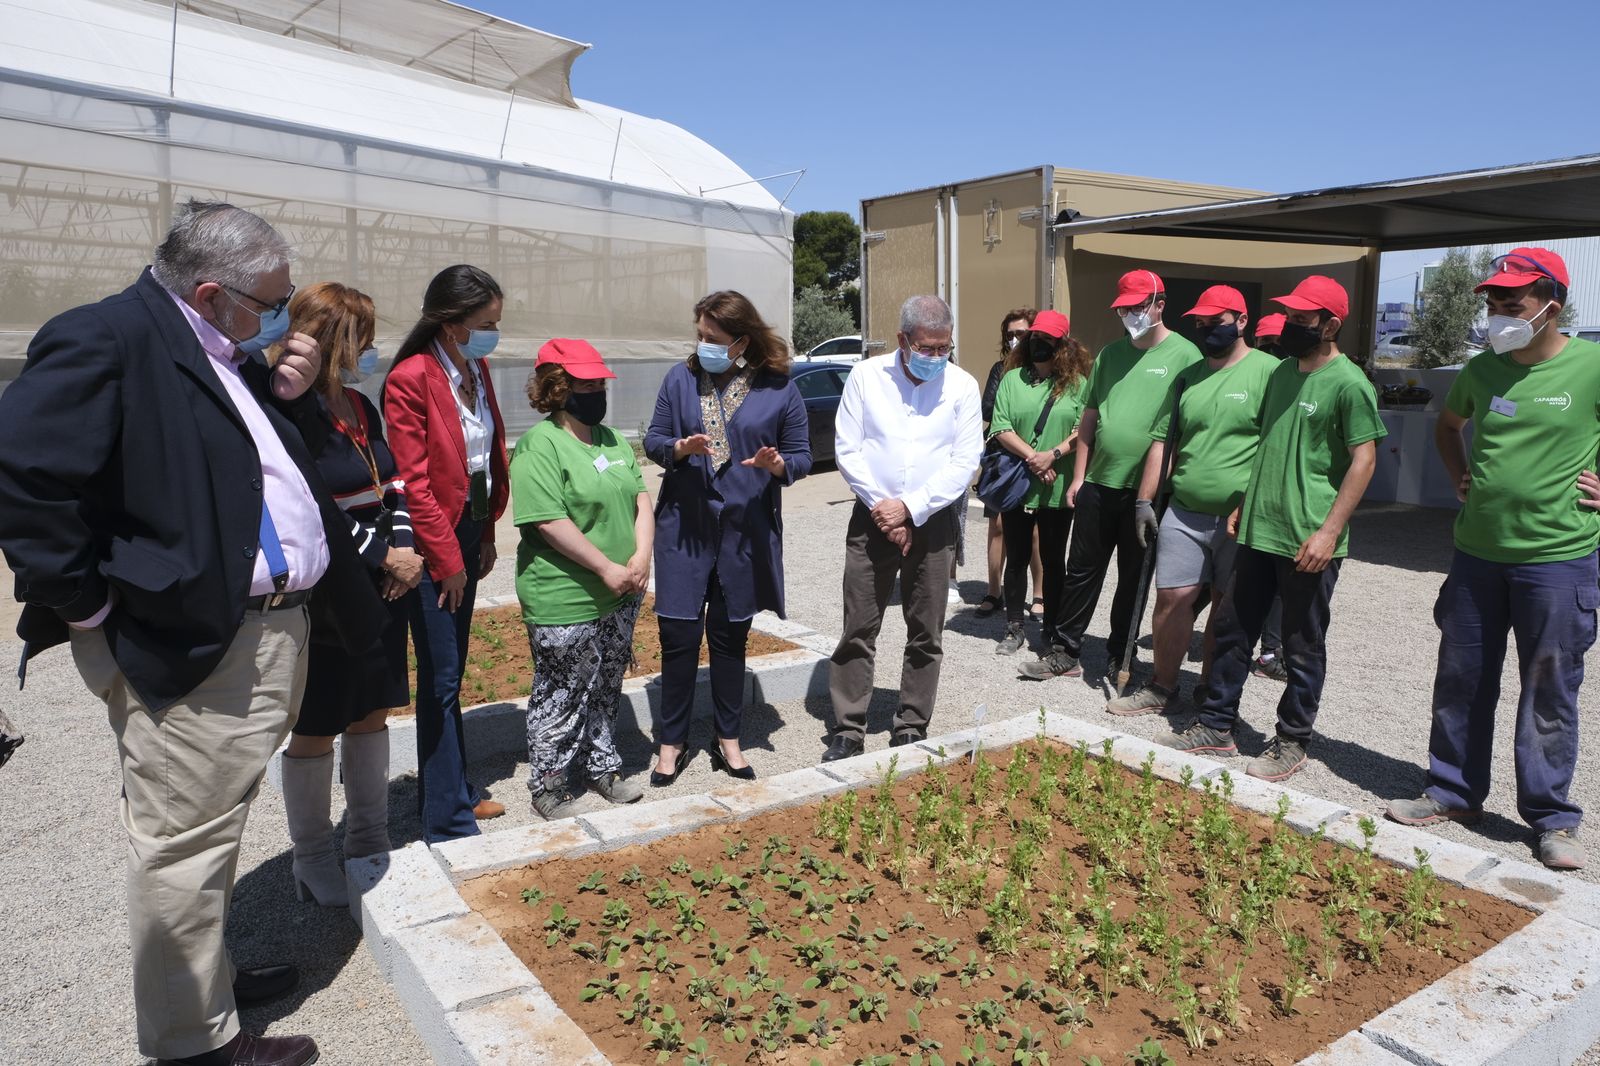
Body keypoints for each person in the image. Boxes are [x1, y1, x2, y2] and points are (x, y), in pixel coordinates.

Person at [0, 200, 387, 1066]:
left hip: (257, 636)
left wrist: (280, 390)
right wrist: (90, 610)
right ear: (212, 293)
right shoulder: (108, 338)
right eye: (273, 302)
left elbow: (243, 469)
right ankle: (193, 1046)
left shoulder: (222, 354)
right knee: (183, 842)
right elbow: (24, 480)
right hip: (196, 642)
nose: (285, 318)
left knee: (213, 825)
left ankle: (200, 982)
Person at [1386, 248, 1598, 872]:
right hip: (1476, 554)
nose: (1499, 313)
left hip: (1558, 561)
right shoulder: (1482, 371)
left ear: (1551, 306)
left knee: (1549, 690)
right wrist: (1458, 476)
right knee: (1461, 680)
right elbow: (1448, 426)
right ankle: (1454, 793)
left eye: (1513, 302)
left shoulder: (1591, 368)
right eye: (1493, 302)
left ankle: (1553, 818)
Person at [1161, 276, 1385, 781]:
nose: (1291, 326)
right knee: (1232, 628)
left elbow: (1364, 461)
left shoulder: (1350, 384)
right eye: (1290, 316)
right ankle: (1217, 724)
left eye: (1304, 319)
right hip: (1259, 528)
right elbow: (1267, 443)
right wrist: (1246, 501)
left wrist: (1329, 532)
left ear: (1332, 324)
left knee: (1301, 644)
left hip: (1308, 539)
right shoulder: (1283, 373)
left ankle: (1291, 740)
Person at [276, 283, 425, 907]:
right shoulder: (288, 412)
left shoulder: (358, 406)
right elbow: (312, 506)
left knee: (373, 708)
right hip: (329, 591)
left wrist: (407, 550)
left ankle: (367, 837)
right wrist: (379, 554)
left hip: (385, 586)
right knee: (317, 722)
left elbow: (391, 484)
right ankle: (311, 857)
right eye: (358, 335)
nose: (366, 347)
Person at [644, 291, 812, 783]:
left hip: (744, 531)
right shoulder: (680, 378)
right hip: (685, 528)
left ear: (741, 340)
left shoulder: (778, 387)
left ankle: (729, 738)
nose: (702, 346)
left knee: (729, 636)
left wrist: (777, 464)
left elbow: (802, 453)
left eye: (712, 339)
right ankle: (671, 743)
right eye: (698, 336)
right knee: (677, 636)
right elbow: (653, 438)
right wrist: (678, 447)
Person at [1020, 270, 1201, 680]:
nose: (1130, 314)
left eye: (1138, 306)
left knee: (1133, 576)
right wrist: (1080, 478)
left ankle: (1121, 654)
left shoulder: (1187, 357)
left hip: (1147, 494)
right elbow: (1090, 416)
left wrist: (1161, 486)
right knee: (1082, 570)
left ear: (1160, 304)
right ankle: (1066, 649)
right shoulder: (1110, 355)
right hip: (1099, 484)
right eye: (1124, 308)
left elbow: (1186, 429)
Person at [823, 295, 983, 760]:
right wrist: (884, 510)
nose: (936, 357)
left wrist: (910, 509)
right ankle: (849, 727)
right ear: (902, 340)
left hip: (933, 523)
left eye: (944, 348)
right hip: (871, 521)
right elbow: (848, 450)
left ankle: (911, 723)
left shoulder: (962, 386)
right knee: (859, 625)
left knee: (926, 629)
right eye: (927, 347)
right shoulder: (866, 377)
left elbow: (964, 461)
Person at [1106, 285, 1277, 716]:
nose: (1205, 331)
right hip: (1184, 510)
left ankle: (1209, 691)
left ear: (1241, 321)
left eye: (1214, 323)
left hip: (1239, 518)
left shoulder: (1270, 373)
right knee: (1171, 600)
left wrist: (1251, 502)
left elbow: (1275, 447)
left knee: (1225, 610)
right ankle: (1163, 687)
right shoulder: (1190, 377)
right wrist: (1145, 501)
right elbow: (1164, 442)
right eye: (1200, 324)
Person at [384, 265, 510, 842]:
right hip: (437, 539)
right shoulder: (412, 377)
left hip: (468, 529)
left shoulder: (474, 368)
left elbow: (482, 458)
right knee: (439, 676)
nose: (493, 334)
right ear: (451, 322)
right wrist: (447, 559)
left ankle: (452, 789)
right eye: (485, 324)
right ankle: (444, 816)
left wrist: (482, 536)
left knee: (452, 669)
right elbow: (414, 480)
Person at [511, 339, 651, 817]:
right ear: (557, 387)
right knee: (561, 691)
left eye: (598, 382)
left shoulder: (611, 440)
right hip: (565, 595)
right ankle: (548, 787)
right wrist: (605, 567)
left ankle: (603, 767)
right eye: (584, 383)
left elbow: (640, 500)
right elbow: (547, 521)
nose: (596, 390)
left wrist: (641, 557)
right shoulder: (540, 446)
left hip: (621, 591)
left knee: (606, 685)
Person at [987, 310, 1092, 657]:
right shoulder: (1011, 379)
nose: (1037, 344)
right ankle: (1014, 627)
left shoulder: (1077, 384)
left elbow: (1084, 430)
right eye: (1034, 338)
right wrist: (1036, 458)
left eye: (1047, 339)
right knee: (1016, 557)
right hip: (1020, 483)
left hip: (1057, 486)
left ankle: (1051, 628)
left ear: (1062, 345)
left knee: (1052, 559)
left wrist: (1054, 454)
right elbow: (1000, 427)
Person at [977, 308, 1044, 621]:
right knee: (999, 526)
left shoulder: (1045, 369)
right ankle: (994, 591)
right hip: (1003, 458)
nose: (1016, 339)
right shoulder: (999, 369)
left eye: (1022, 333)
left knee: (1034, 532)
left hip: (1037, 456)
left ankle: (1039, 595)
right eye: (1011, 334)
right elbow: (989, 408)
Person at [1249, 314, 1291, 680]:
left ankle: (1270, 649)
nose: (1273, 349)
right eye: (1267, 343)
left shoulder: (1293, 379)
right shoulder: (1267, 377)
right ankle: (1268, 650)